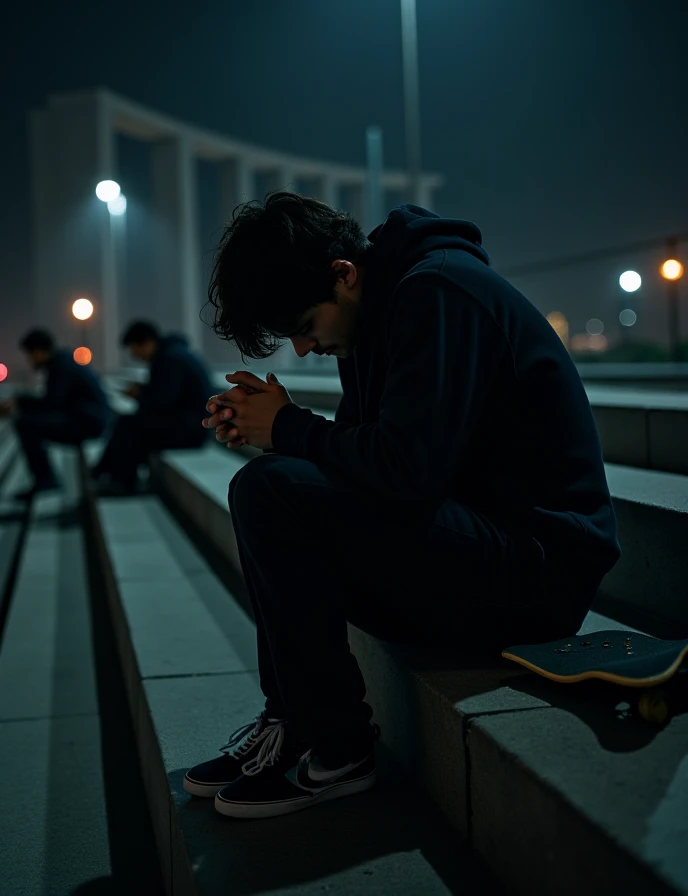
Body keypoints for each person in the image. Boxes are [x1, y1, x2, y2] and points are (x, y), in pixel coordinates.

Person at [183, 191, 621, 821]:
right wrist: (270, 428)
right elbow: (367, 466)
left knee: (270, 491)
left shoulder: (440, 292)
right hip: (472, 544)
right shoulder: (376, 316)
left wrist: (289, 430)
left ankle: (339, 747)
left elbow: (406, 472)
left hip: (537, 575)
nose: (304, 350)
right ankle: (292, 719)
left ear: (343, 273)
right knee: (273, 488)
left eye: (306, 327)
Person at [91, 321, 213, 495]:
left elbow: (163, 402)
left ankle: (117, 479)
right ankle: (108, 474)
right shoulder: (172, 355)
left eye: (135, 350)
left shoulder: (170, 359)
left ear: (147, 343)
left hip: (190, 431)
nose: (136, 356)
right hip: (188, 425)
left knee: (129, 426)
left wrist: (139, 395)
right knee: (129, 423)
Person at [0, 328, 109, 499]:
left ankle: (46, 480)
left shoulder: (61, 366)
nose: (29, 361)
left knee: (25, 425)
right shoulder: (62, 362)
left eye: (30, 355)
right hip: (87, 419)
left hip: (88, 423)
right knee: (28, 423)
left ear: (38, 352)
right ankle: (45, 479)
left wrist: (19, 402)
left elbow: (52, 403)